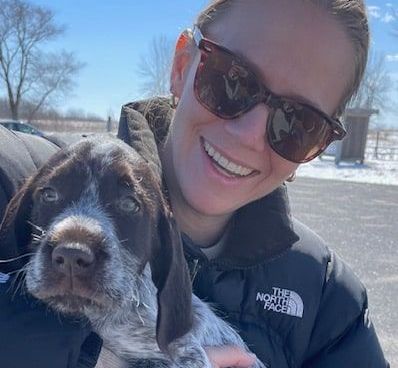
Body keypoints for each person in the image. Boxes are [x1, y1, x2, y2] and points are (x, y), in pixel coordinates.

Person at [0, 0, 390, 367]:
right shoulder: (17, 173)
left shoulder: (328, 300)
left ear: (318, 146)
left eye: (299, 123)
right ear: (182, 66)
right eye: (232, 81)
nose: (248, 134)